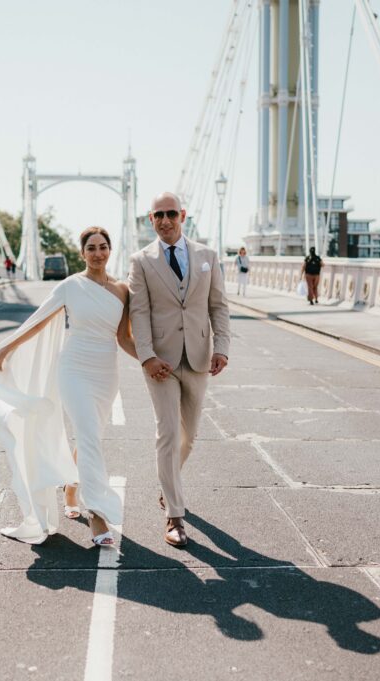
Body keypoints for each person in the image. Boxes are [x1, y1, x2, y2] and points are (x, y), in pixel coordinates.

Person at [0, 227, 136, 547]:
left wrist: (150, 361)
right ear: (82, 254)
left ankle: (72, 489)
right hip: (74, 369)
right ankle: (98, 515)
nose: (98, 253)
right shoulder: (70, 286)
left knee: (91, 436)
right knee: (90, 435)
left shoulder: (122, 291)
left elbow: (123, 337)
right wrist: (2, 350)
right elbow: (37, 320)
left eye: (103, 247)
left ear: (110, 250)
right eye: (91, 248)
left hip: (106, 373)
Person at [128, 192, 231, 547]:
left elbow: (218, 306)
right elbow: (138, 313)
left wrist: (223, 348)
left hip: (200, 356)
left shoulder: (207, 256)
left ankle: (166, 483)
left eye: (171, 213)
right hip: (161, 362)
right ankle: (175, 515)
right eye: (159, 215)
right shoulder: (140, 261)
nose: (165, 220)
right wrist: (146, 356)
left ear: (183, 215)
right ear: (150, 219)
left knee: (190, 436)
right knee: (168, 433)